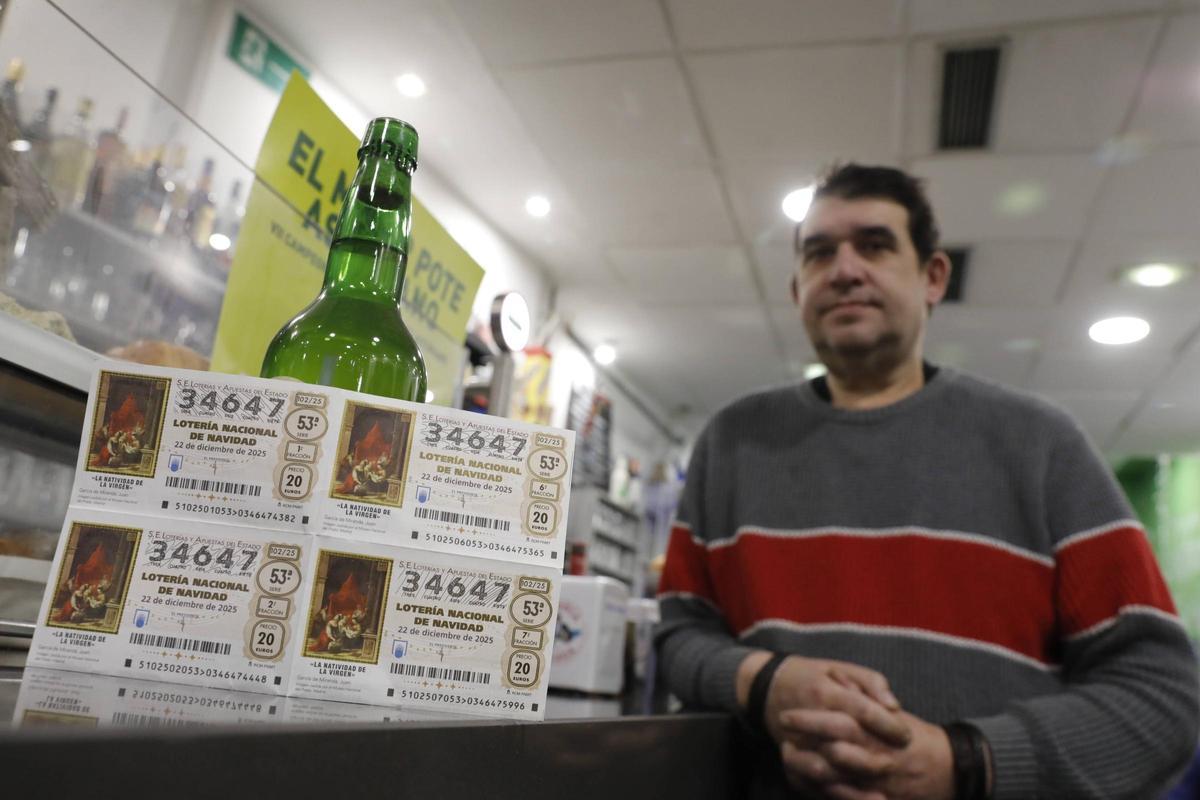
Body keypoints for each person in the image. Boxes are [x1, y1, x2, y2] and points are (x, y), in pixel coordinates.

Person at [655, 163, 1199, 799]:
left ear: (933, 277)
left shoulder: (1041, 445)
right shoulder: (732, 444)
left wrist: (964, 762)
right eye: (819, 252)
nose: (845, 269)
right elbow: (680, 635)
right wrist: (763, 681)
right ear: (797, 288)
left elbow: (1161, 695)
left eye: (876, 245)